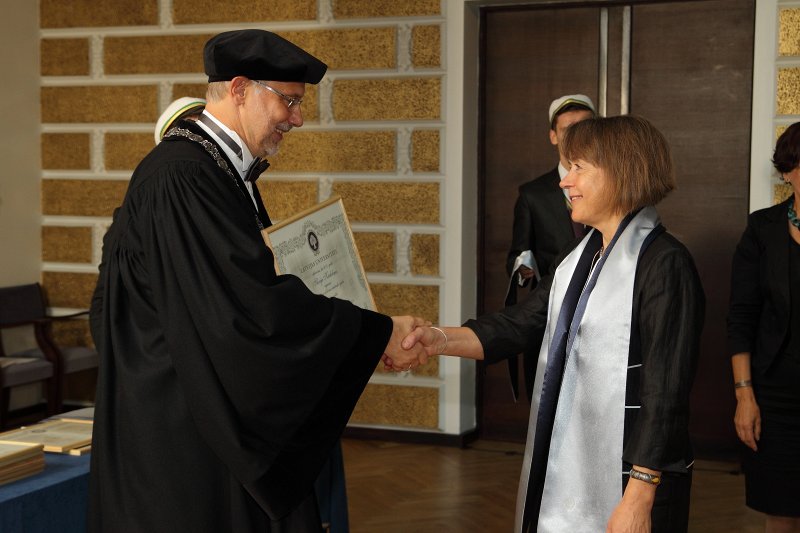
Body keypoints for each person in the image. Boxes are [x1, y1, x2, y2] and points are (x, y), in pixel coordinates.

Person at [89, 29, 426, 532]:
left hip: (193, 411)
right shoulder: (185, 177)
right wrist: (372, 331)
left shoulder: (215, 170)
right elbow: (248, 313)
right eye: (288, 102)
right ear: (241, 88)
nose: (298, 118)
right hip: (184, 433)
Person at [393, 115, 705, 532]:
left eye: (578, 168)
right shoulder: (581, 257)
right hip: (579, 459)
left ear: (622, 172)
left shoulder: (664, 264)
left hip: (634, 474)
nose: (564, 180)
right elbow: (520, 324)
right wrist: (437, 339)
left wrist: (639, 494)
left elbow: (666, 390)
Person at [727, 121, 800, 532]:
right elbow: (741, 317)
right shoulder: (762, 230)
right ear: (789, 170)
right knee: (782, 509)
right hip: (776, 397)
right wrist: (744, 396)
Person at [504, 94, 595, 401]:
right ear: (554, 136)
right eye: (568, 128)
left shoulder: (610, 185)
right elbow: (517, 255)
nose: (577, 135)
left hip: (598, 319)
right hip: (550, 317)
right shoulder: (532, 194)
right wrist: (522, 270)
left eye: (586, 126)